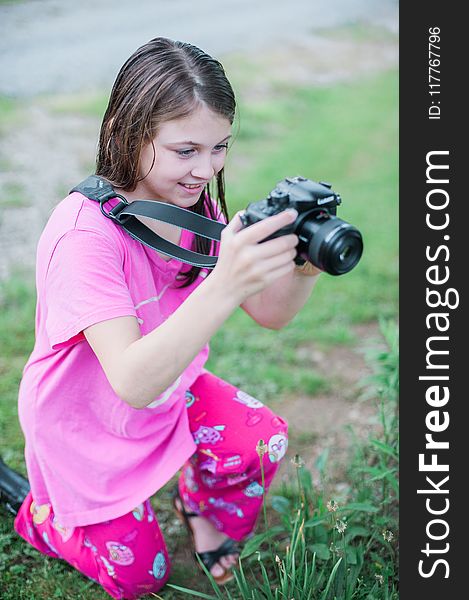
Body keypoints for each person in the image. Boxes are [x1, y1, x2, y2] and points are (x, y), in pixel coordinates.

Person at [11, 37, 321, 599]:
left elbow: (270, 314)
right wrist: (225, 282)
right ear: (125, 135)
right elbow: (130, 382)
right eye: (186, 151)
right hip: (86, 426)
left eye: (219, 147)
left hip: (167, 396)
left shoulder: (189, 202)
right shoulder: (84, 235)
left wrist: (303, 265)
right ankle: (45, 518)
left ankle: (198, 506)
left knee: (261, 441)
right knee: (142, 579)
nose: (205, 169)